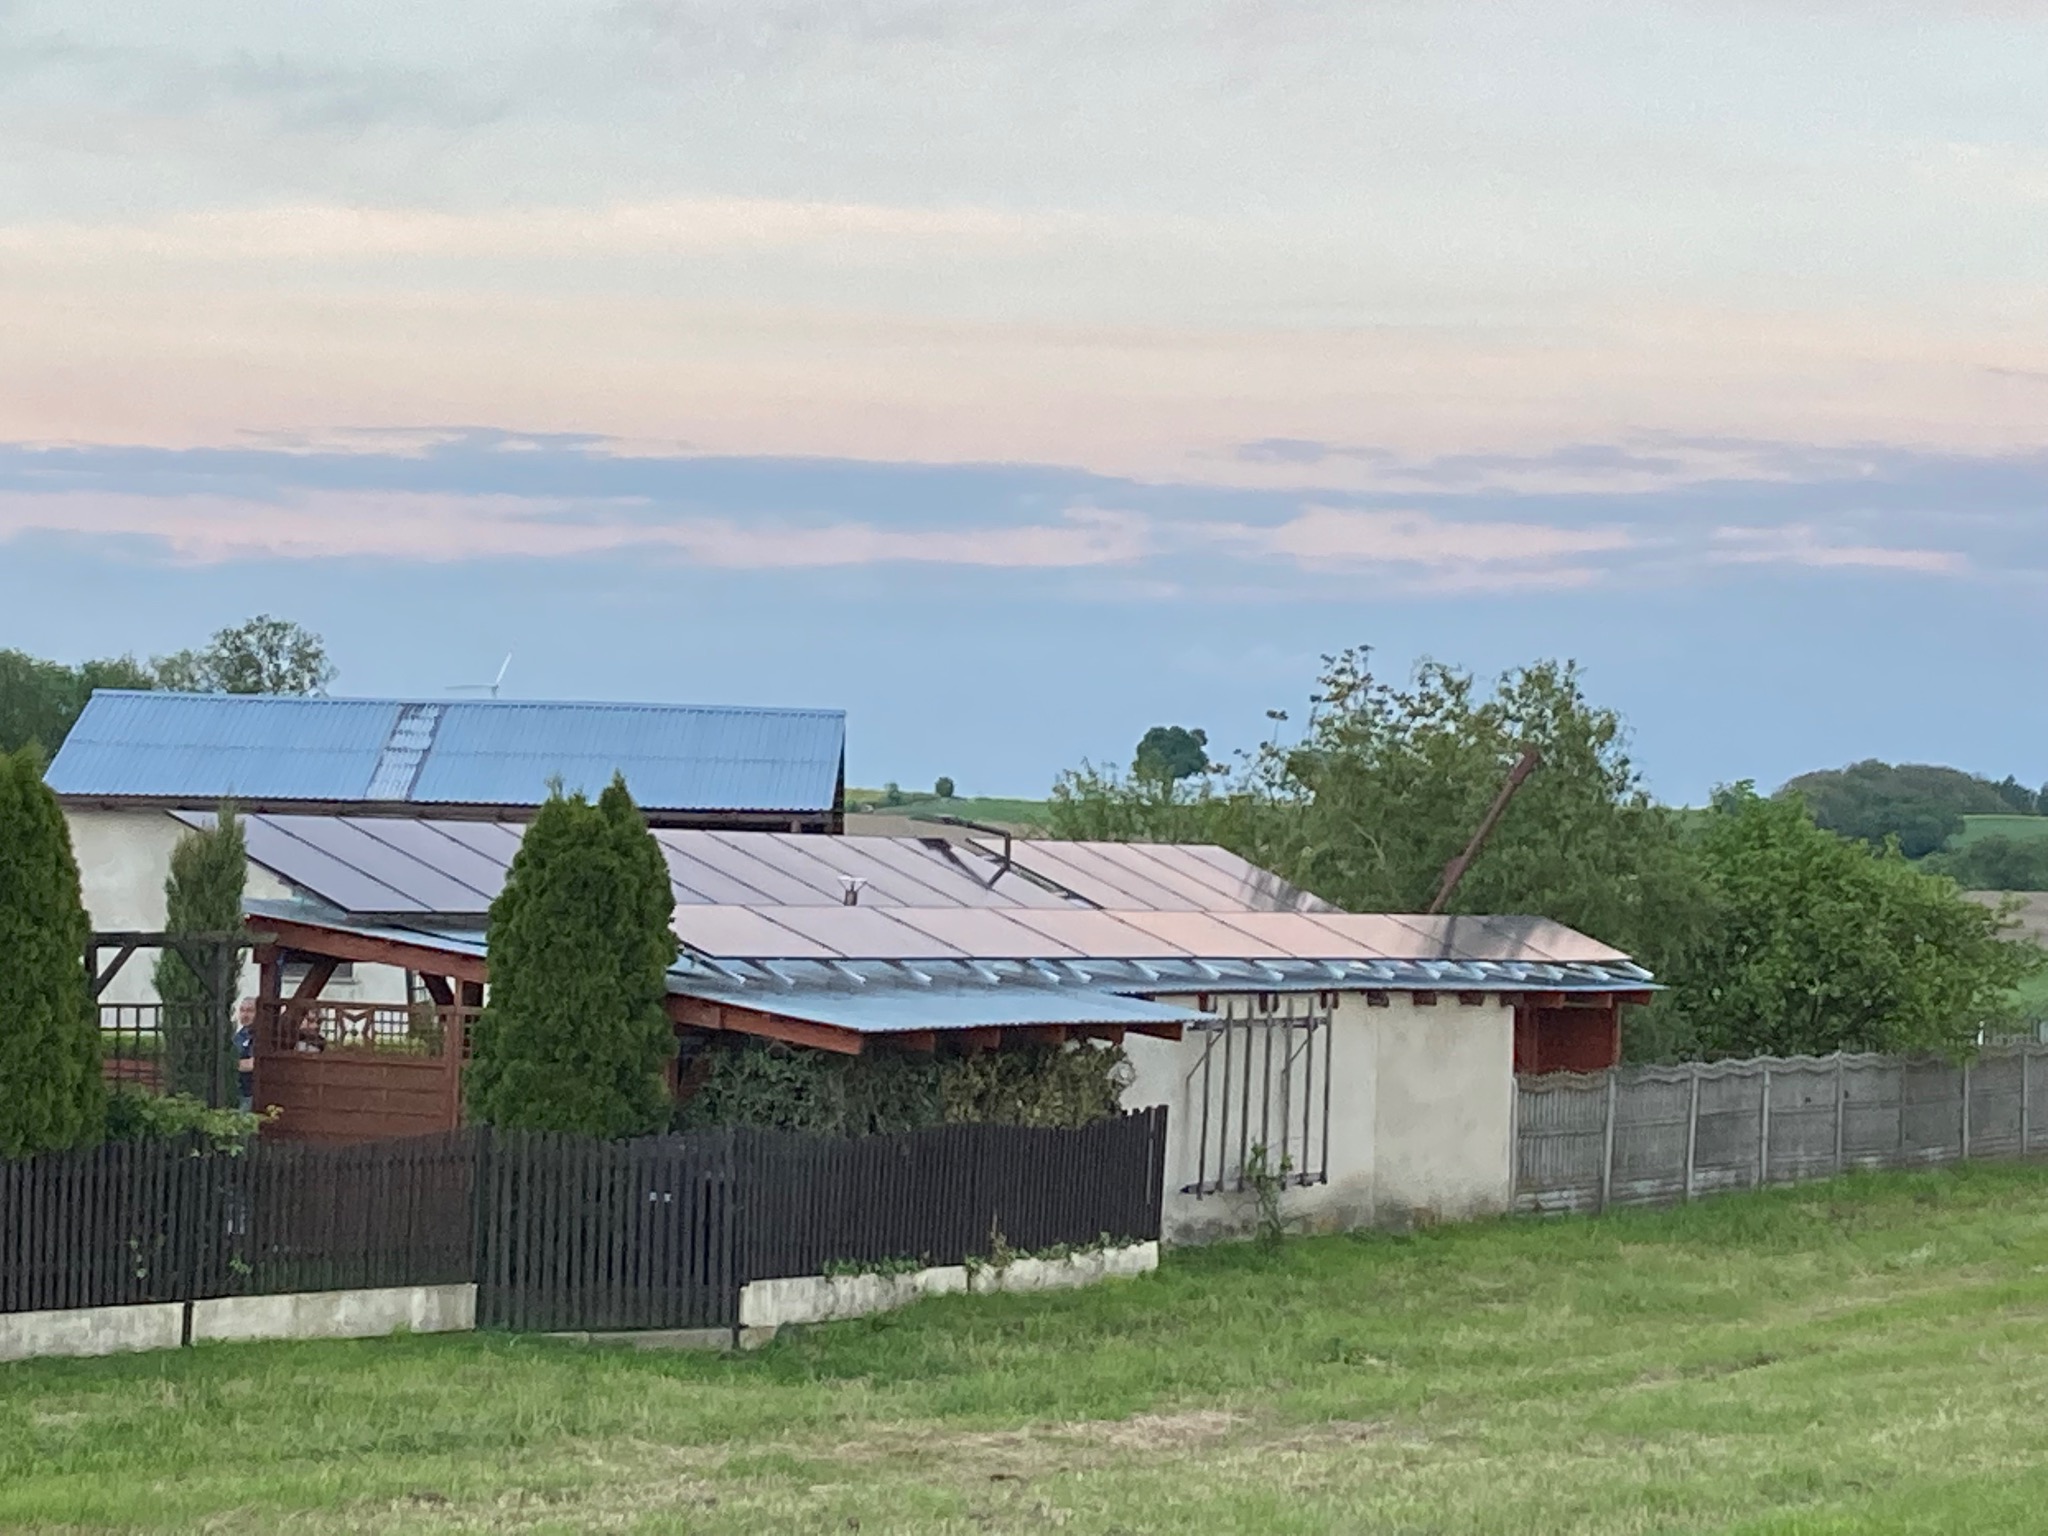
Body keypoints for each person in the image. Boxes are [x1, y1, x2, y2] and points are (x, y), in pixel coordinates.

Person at [233, 1000, 256, 1112]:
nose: (245, 1014)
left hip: (250, 1093)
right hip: (236, 1091)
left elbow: (254, 1064)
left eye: (250, 1011)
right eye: (242, 1010)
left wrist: (230, 1064)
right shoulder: (238, 1035)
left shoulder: (257, 1036)